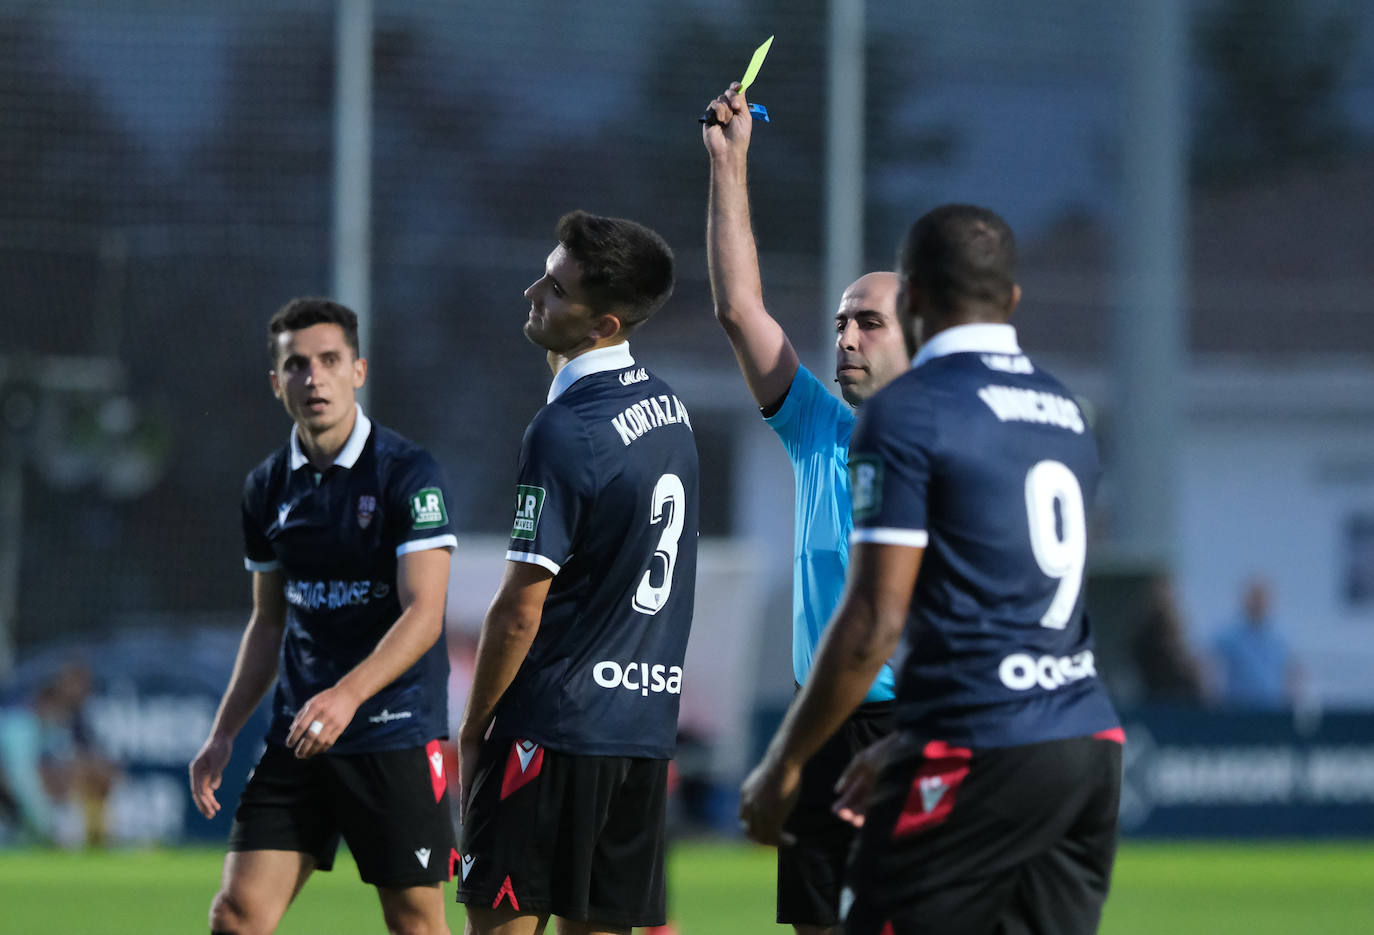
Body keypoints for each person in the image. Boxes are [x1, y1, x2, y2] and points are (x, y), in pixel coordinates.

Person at [739, 205, 1123, 935]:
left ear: (912, 298)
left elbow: (874, 621)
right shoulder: (1064, 410)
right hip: (1086, 740)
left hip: (979, 742)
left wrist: (784, 760)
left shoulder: (913, 410)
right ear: (1010, 299)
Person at [701, 82, 911, 935]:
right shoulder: (818, 424)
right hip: (820, 711)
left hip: (913, 720)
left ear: (920, 336)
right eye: (840, 322)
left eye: (868, 323)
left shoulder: (948, 442)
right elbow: (738, 308)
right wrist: (730, 164)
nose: (846, 338)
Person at [454, 211, 698, 935]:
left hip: (550, 731)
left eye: (556, 289)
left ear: (604, 324)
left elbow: (520, 610)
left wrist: (474, 728)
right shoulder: (671, 410)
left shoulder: (563, 430)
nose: (534, 291)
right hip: (641, 737)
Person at [188, 297, 459, 935]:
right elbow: (269, 623)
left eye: (330, 360)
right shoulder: (265, 487)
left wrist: (347, 695)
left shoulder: (407, 473)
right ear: (276, 382)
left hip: (391, 730)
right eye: (297, 365)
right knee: (236, 915)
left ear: (358, 371)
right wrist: (224, 732)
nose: (314, 378)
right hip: (300, 735)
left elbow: (425, 615)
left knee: (415, 923)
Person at [1211, 576, 1301, 709]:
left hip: (1271, 710)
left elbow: (1290, 673)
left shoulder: (1278, 640)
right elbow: (1212, 671)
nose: (1258, 603)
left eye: (1262, 598)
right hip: (1237, 709)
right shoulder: (1227, 637)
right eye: (1255, 598)